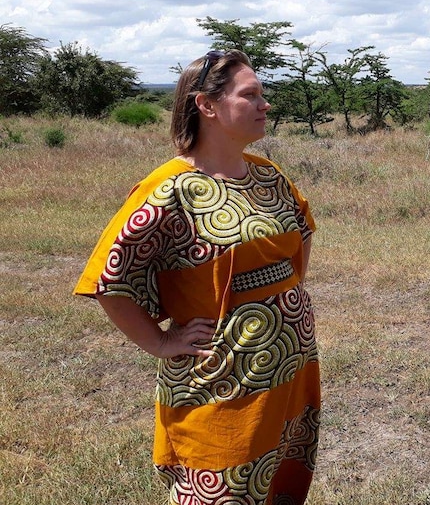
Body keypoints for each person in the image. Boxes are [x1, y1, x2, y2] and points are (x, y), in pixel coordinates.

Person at [74, 49, 320, 505]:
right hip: (221, 376)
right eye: (251, 95)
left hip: (289, 366)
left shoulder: (270, 177)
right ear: (207, 105)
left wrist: (282, 301)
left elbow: (300, 235)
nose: (265, 105)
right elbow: (109, 278)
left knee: (277, 483)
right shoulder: (170, 188)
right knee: (219, 491)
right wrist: (161, 342)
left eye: (263, 95)